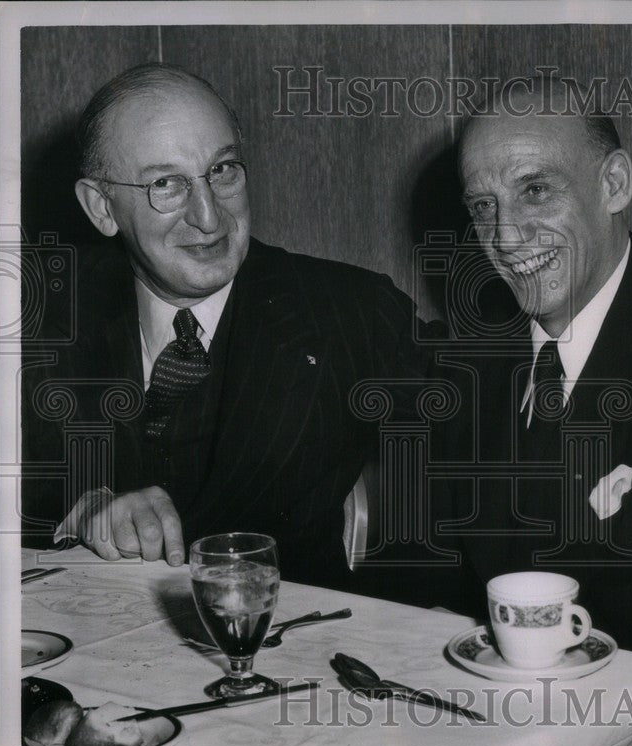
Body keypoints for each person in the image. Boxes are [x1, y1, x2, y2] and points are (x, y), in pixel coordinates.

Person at [22, 63, 429, 589]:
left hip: (285, 648)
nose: (210, 217)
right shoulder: (40, 320)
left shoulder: (350, 313)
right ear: (101, 207)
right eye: (166, 184)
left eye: (223, 170)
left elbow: (469, 469)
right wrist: (81, 508)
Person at [429, 79, 632, 675]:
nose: (505, 238)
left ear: (613, 184)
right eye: (484, 207)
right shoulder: (466, 359)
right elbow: (428, 576)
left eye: (535, 189)